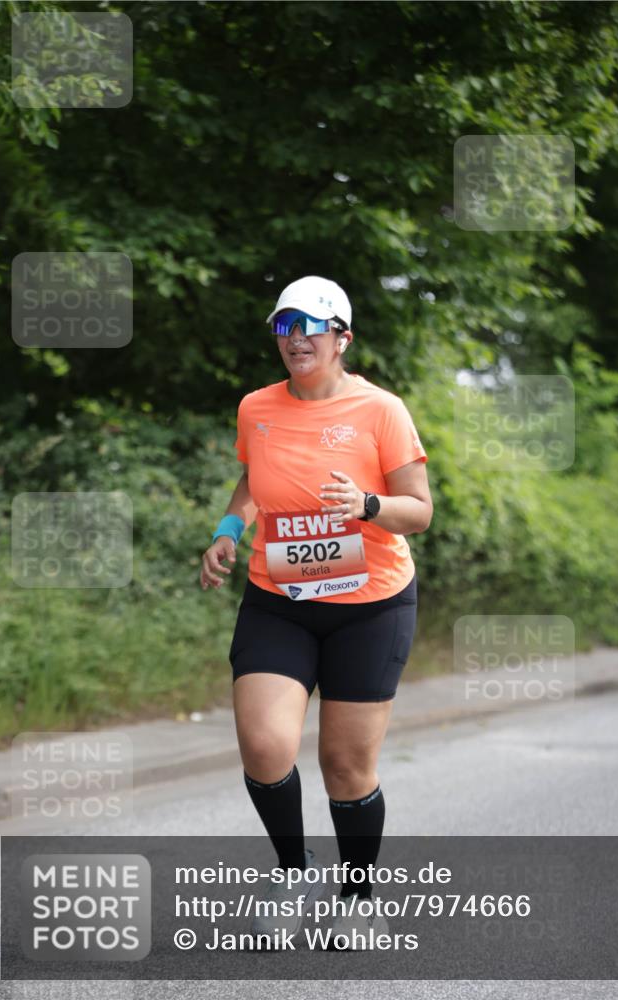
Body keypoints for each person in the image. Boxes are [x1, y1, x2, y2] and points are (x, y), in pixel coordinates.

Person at [200, 275, 433, 948]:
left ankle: (358, 896)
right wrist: (227, 529)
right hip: (280, 599)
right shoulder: (256, 408)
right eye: (283, 326)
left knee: (344, 764)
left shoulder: (381, 410)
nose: (296, 337)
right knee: (265, 745)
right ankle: (292, 873)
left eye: (311, 325)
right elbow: (252, 481)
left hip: (370, 605)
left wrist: (364, 507)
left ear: (341, 338)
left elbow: (417, 511)